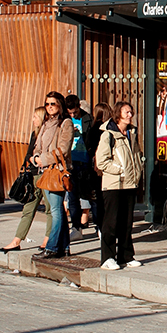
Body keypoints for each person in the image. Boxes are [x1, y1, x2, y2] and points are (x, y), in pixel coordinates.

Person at [95, 100, 144, 270]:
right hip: (114, 184)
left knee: (127, 222)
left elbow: (136, 155)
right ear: (118, 114)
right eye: (126, 112)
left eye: (131, 112)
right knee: (111, 222)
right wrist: (119, 170)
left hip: (130, 183)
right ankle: (108, 257)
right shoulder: (108, 134)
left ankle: (126, 255)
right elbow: (102, 161)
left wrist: (138, 172)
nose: (130, 115)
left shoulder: (131, 133)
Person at [32, 91, 75, 258]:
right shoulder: (46, 123)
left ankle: (52, 247)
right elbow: (38, 144)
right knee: (56, 211)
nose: (50, 107)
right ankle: (63, 246)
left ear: (60, 105)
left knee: (56, 210)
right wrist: (36, 157)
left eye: (53, 104)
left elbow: (64, 149)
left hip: (57, 170)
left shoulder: (65, 123)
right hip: (45, 169)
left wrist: (44, 158)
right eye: (47, 104)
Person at [1, 106, 47, 252]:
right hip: (33, 174)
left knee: (51, 210)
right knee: (29, 208)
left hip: (45, 174)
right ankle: (17, 240)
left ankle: (48, 239)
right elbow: (28, 154)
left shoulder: (47, 134)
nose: (32, 119)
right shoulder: (34, 134)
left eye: (35, 116)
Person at [65, 94, 94, 237]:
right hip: (71, 162)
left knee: (90, 195)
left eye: (74, 112)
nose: (72, 115)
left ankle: (98, 227)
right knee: (73, 197)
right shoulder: (64, 120)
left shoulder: (87, 119)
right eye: (70, 113)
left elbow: (93, 138)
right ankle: (76, 227)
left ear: (79, 107)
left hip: (85, 160)